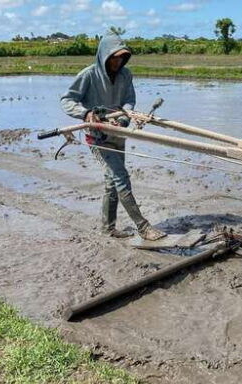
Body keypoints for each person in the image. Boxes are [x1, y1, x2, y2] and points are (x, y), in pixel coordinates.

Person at [60, 31, 166, 241]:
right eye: (114, 58)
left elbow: (129, 100)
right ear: (104, 56)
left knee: (112, 182)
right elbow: (67, 100)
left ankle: (108, 228)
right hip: (97, 136)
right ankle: (143, 227)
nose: (118, 62)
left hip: (118, 133)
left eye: (121, 58)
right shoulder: (88, 75)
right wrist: (86, 113)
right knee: (120, 177)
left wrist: (123, 119)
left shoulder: (126, 75)